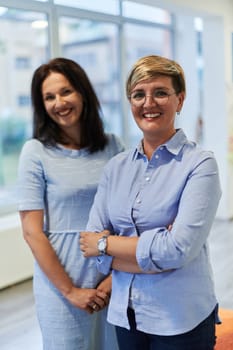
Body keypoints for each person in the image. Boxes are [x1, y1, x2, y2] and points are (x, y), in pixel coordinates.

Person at [79, 55, 222, 350]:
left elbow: (177, 250)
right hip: (125, 315)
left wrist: (107, 244)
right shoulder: (116, 167)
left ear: (179, 100)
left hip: (181, 318)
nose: (148, 103)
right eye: (138, 95)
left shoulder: (200, 164)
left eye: (160, 92)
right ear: (130, 102)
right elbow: (89, 246)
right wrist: (158, 250)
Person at [17, 57, 124, 350]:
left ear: (83, 92)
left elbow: (128, 217)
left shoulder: (113, 145)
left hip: (113, 278)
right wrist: (71, 291)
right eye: (49, 97)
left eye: (65, 92)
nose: (59, 103)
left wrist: (114, 279)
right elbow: (32, 232)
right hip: (61, 285)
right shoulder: (35, 152)